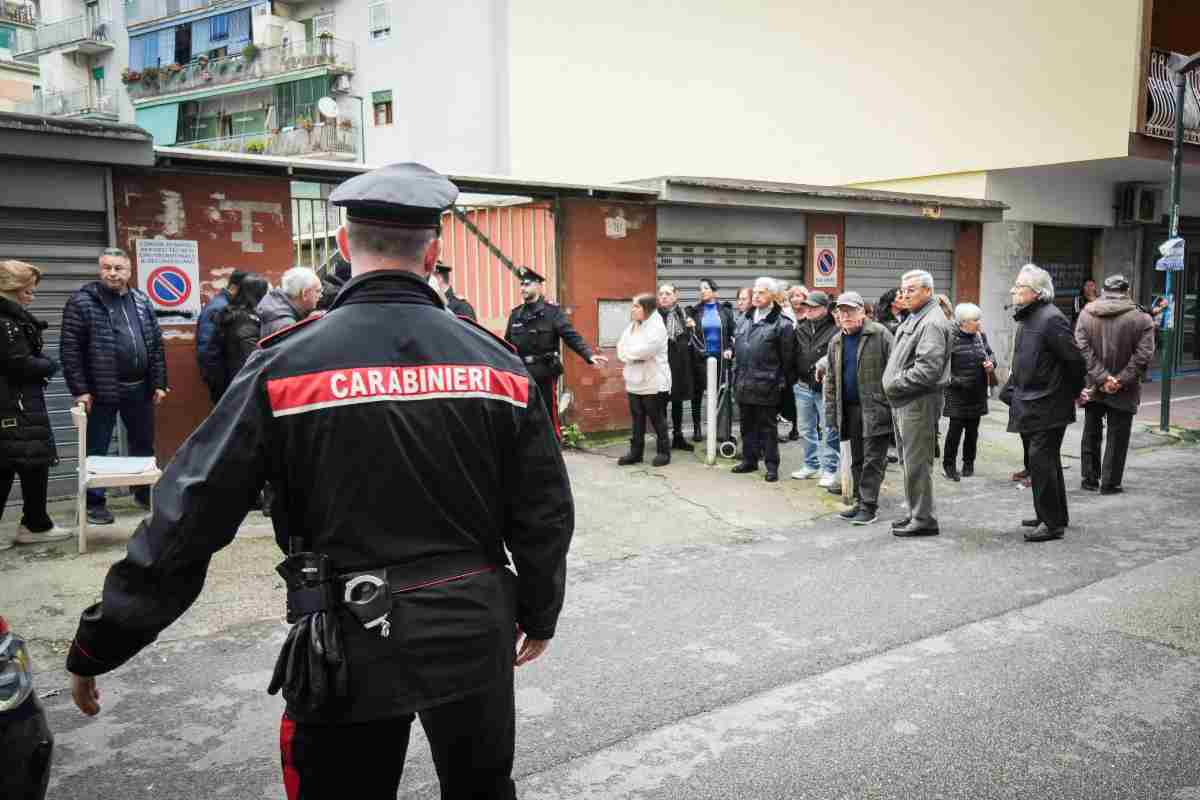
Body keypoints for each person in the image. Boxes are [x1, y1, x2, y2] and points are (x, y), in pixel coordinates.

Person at [65, 163, 575, 800]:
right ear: (434, 250)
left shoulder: (286, 363)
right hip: (473, 626)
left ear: (341, 244)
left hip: (349, 639)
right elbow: (545, 509)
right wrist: (539, 611)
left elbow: (191, 511)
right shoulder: (495, 361)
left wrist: (104, 637)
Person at [61, 248, 168, 526]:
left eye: (118, 268)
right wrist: (80, 390)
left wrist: (159, 383)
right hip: (101, 389)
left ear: (129, 271)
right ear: (100, 270)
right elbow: (70, 350)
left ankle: (143, 493)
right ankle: (95, 503)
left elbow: (155, 346)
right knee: (97, 447)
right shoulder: (82, 302)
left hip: (140, 387)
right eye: (107, 267)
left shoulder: (141, 301)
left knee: (143, 443)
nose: (112, 273)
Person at [1000, 264, 1086, 542]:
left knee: (1041, 461)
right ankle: (1052, 514)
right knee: (1046, 462)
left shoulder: (1051, 319)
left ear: (1036, 293)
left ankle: (1051, 523)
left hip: (1047, 403)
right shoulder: (1031, 317)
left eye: (1019, 287)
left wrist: (1070, 393)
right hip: (1033, 401)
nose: (1014, 290)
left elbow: (1074, 361)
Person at [0, 261, 72, 549]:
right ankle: (35, 524)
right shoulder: (4, 322)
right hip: (11, 404)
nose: (32, 294)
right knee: (8, 465)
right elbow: (19, 363)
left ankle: (36, 523)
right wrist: (49, 364)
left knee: (33, 463)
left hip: (19, 401)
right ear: (14, 288)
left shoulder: (11, 318)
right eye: (29, 289)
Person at [882, 269, 952, 537]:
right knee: (909, 462)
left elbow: (928, 370)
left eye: (912, 289)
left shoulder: (931, 322)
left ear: (927, 291)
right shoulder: (918, 316)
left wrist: (894, 385)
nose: (905, 294)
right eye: (903, 289)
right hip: (906, 400)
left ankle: (923, 519)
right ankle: (916, 513)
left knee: (917, 463)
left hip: (917, 401)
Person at [1074, 274, 1155, 495]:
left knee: (1091, 429)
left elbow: (1081, 349)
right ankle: (1110, 483)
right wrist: (1119, 380)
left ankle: (1089, 478)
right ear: (1127, 291)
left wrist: (1101, 377)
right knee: (1118, 434)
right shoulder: (1142, 318)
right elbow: (1143, 356)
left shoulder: (1086, 314)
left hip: (1094, 383)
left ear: (1104, 290)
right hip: (1125, 387)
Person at [505, 267, 607, 437]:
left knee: (547, 415)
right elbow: (507, 343)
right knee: (524, 415)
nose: (522, 288)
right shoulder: (516, 315)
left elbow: (570, 336)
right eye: (521, 284)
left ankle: (553, 450)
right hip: (521, 373)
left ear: (538, 286)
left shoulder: (552, 313)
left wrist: (588, 354)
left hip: (545, 372)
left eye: (527, 284)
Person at [824, 292, 894, 525]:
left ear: (862, 312)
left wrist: (888, 404)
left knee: (873, 459)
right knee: (856, 459)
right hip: (850, 409)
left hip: (875, 407)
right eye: (841, 311)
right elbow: (831, 381)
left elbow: (895, 370)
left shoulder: (880, 334)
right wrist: (832, 414)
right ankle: (859, 501)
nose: (845, 315)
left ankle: (869, 506)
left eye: (850, 311)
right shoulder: (836, 341)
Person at [730, 277, 796, 482]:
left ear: (773, 296)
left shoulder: (782, 324)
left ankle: (771, 465)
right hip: (744, 381)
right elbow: (738, 351)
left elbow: (787, 360)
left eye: (762, 293)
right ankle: (749, 460)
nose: (756, 296)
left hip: (767, 384)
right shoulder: (744, 319)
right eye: (755, 292)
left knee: (767, 428)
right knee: (746, 425)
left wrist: (779, 383)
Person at [790, 290, 840, 489]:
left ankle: (829, 469)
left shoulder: (834, 328)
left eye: (813, 307)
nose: (808, 310)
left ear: (825, 309)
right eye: (807, 306)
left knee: (829, 430)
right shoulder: (801, 328)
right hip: (802, 386)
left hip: (825, 388)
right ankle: (811, 465)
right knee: (806, 429)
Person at [942, 303, 995, 481]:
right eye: (975, 320)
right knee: (954, 431)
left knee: (973, 432)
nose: (979, 323)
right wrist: (957, 381)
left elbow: (990, 354)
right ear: (963, 322)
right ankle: (949, 465)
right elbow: (942, 369)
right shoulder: (950, 339)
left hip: (977, 393)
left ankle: (968, 463)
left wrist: (991, 364)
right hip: (957, 395)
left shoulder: (981, 336)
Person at [617, 293, 671, 466]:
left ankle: (664, 452)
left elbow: (646, 350)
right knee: (637, 418)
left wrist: (630, 354)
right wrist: (630, 355)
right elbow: (621, 346)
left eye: (636, 306)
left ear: (646, 308)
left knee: (656, 418)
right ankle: (636, 452)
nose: (633, 309)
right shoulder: (633, 325)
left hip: (653, 380)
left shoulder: (657, 327)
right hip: (634, 379)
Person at [686, 278, 737, 442]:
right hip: (700, 358)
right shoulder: (693, 312)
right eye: (700, 289)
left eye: (706, 288)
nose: (702, 291)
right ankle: (697, 428)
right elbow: (691, 337)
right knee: (697, 393)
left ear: (714, 291)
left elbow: (732, 334)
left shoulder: (725, 311)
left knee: (721, 392)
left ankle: (720, 429)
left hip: (721, 359)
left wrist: (730, 348)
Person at [196, 270, 245, 404]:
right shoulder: (220, 307)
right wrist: (220, 383)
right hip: (223, 380)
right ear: (234, 288)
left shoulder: (223, 304)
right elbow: (207, 350)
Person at [657, 283, 694, 451]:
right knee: (661, 403)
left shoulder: (683, 313)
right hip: (662, 364)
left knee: (678, 402)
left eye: (667, 293)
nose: (663, 296)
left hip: (679, 364)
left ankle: (678, 437)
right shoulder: (654, 316)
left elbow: (688, 338)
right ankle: (662, 439)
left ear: (675, 296)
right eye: (661, 293)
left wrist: (691, 328)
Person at [217, 274, 270, 386]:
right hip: (246, 382)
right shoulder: (245, 320)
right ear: (258, 295)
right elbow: (252, 359)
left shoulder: (235, 312)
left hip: (236, 377)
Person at [258, 267, 322, 337]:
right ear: (305, 294)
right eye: (318, 291)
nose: (320, 295)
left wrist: (307, 321)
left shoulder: (276, 303)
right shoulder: (286, 326)